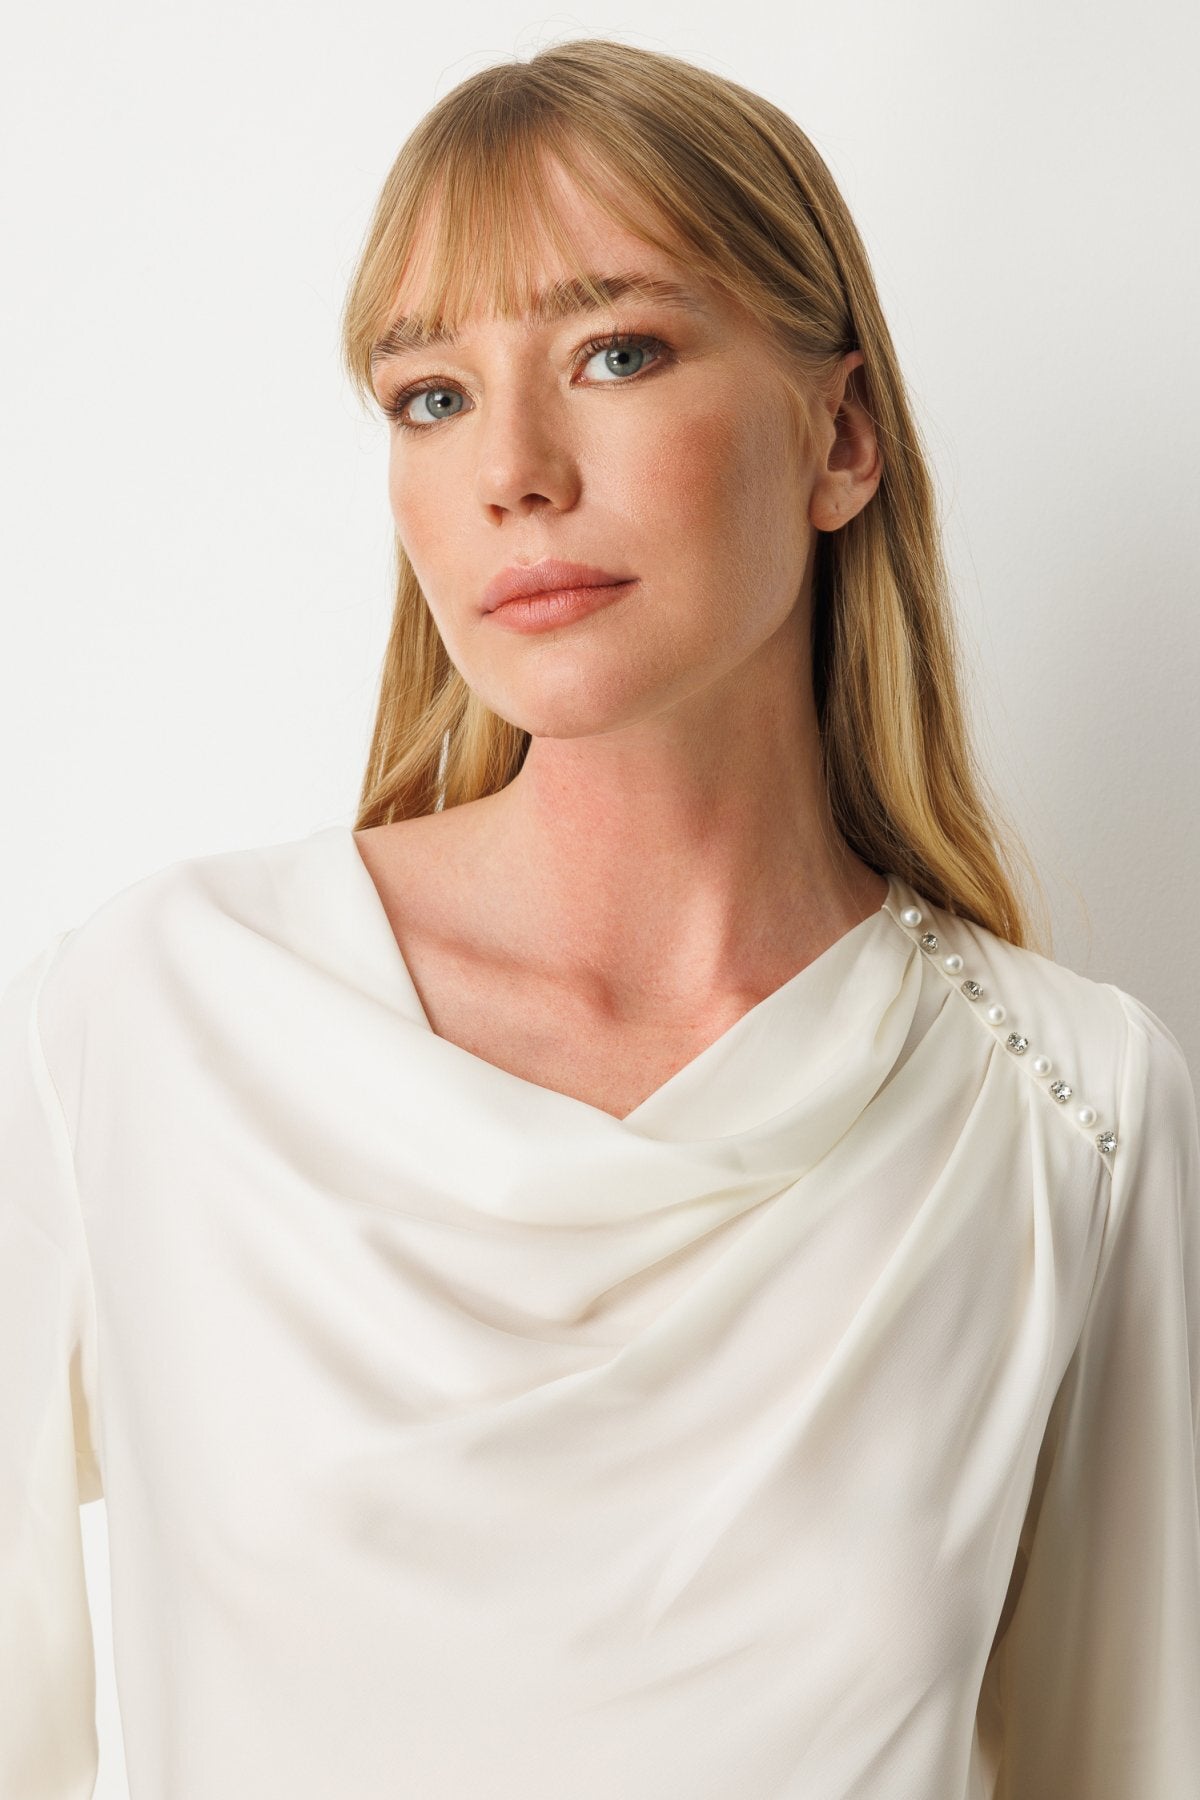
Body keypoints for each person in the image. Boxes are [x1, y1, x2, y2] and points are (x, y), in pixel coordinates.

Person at [2, 36, 1197, 1800]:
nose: (514, 469)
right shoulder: (146, 1025)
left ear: (840, 437)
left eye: (615, 353)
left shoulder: (1069, 1108)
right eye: (431, 395)